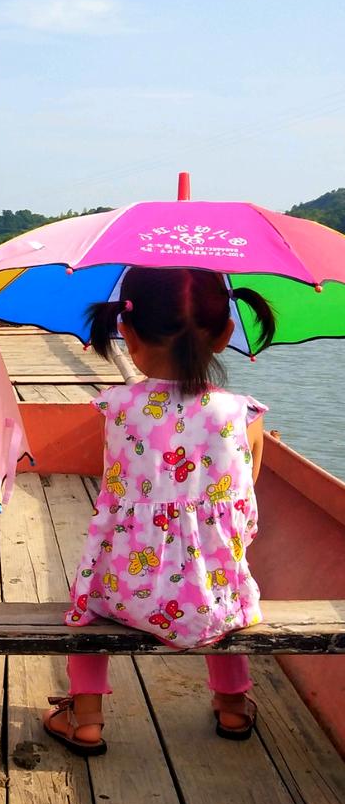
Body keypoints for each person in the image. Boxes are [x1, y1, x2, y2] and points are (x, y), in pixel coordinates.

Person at [43, 266, 276, 756]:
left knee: (89, 602)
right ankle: (233, 706)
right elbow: (243, 505)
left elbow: (114, 488)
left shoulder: (117, 407)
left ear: (125, 333)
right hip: (210, 598)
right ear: (225, 334)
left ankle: (86, 718)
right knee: (223, 576)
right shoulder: (240, 414)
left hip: (127, 589)